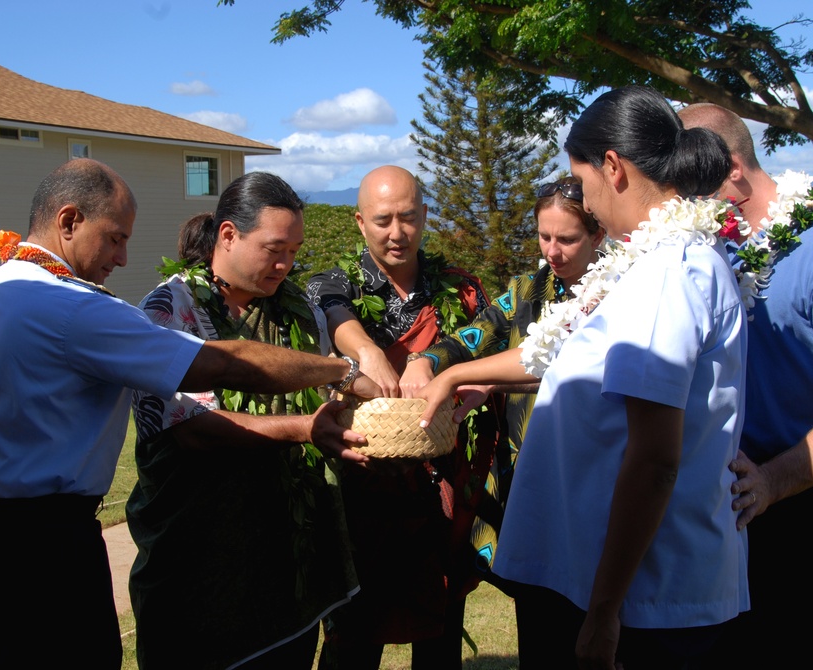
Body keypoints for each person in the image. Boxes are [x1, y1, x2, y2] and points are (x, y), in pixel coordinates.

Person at [0, 159, 378, 670]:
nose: (123, 258)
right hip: (46, 547)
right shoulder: (75, 309)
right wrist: (338, 372)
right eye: (114, 238)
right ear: (68, 222)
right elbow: (224, 364)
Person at [417, 86, 751, 668]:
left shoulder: (665, 278)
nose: (587, 203)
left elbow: (654, 461)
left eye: (585, 182)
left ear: (614, 168)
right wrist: (457, 375)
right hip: (618, 579)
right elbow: (556, 349)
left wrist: (604, 611)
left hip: (645, 596)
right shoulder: (650, 264)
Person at [678, 102, 813, 669]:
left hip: (805, 507)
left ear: (729, 168)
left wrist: (772, 483)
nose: (675, 196)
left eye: (684, 177)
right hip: (719, 506)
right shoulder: (708, 254)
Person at [127, 172, 365, 669]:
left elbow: (328, 398)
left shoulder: (300, 310)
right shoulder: (168, 311)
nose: (286, 264)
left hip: (286, 560)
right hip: (200, 559)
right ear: (229, 235)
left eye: (295, 251)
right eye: (275, 249)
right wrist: (305, 429)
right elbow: (192, 430)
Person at [306, 165, 491, 669]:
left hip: (440, 487)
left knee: (441, 628)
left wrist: (473, 385)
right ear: (359, 221)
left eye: (408, 217)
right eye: (383, 219)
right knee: (354, 637)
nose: (397, 232)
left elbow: (496, 351)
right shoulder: (331, 284)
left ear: (425, 216)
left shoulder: (461, 292)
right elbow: (333, 310)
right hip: (363, 487)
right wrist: (366, 351)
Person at [401, 176, 604, 588]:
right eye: (543, 236)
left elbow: (564, 367)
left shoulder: (618, 295)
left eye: (566, 238)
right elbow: (476, 334)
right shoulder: (529, 287)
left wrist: (489, 381)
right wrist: (425, 361)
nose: (552, 251)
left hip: (586, 470)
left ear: (597, 233)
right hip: (525, 470)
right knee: (533, 602)